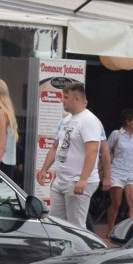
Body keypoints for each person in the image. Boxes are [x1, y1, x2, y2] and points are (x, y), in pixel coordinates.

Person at [36, 82, 102, 228]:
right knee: (56, 224)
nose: (62, 100)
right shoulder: (66, 120)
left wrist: (83, 179)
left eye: (65, 97)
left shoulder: (89, 120)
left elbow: (92, 151)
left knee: (75, 226)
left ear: (76, 99)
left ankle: (80, 251)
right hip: (61, 179)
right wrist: (44, 169)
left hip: (76, 179)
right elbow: (54, 147)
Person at [107, 108, 133, 230]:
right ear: (128, 121)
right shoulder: (116, 134)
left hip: (132, 173)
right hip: (116, 171)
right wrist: (106, 173)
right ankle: (110, 229)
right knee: (116, 203)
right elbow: (106, 153)